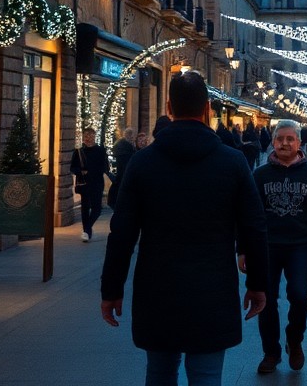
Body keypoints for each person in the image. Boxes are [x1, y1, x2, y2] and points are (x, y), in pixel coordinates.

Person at [101, 70, 268, 386]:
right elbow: (255, 226)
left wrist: (111, 288)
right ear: (207, 108)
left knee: (160, 373)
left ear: (168, 108)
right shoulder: (232, 162)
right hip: (213, 288)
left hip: (157, 287)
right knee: (206, 376)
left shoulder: (142, 163)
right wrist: (258, 282)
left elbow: (121, 233)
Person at [250, 120, 307, 374]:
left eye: (290, 139)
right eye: (280, 139)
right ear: (273, 142)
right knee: (265, 299)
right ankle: (271, 352)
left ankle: (294, 338)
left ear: (299, 143)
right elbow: (250, 215)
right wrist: (243, 249)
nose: (285, 143)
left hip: (299, 245)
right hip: (267, 246)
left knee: (300, 295)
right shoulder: (260, 175)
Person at [71, 126, 110, 242]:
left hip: (97, 182)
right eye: (86, 136)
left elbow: (105, 167)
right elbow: (73, 167)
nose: (88, 138)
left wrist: (95, 171)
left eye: (91, 136)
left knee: (97, 209)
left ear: (94, 137)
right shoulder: (78, 152)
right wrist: (80, 171)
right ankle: (86, 232)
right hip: (84, 183)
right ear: (83, 138)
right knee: (85, 208)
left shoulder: (101, 151)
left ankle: (87, 229)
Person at [108, 126, 138, 208]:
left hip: (119, 177)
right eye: (132, 137)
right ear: (130, 136)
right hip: (123, 176)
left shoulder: (119, 145)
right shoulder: (128, 148)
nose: (133, 138)